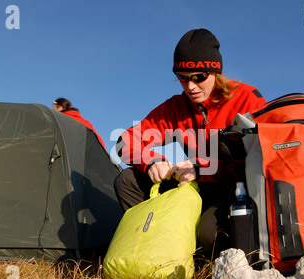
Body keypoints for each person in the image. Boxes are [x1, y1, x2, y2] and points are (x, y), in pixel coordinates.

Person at [114, 28, 266, 257]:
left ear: (216, 72)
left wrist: (201, 169)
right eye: (183, 78)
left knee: (208, 231)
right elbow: (123, 142)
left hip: (233, 192)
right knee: (127, 181)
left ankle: (202, 261)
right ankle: (153, 254)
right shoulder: (176, 107)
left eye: (199, 77)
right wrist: (151, 160)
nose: (190, 87)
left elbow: (261, 160)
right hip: (190, 189)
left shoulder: (246, 98)